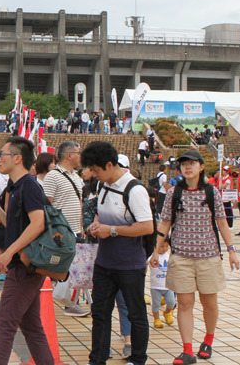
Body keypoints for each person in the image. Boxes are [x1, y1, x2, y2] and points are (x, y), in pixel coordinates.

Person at [151, 150, 240, 365]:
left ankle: (208, 341)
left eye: (192, 163)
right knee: (184, 302)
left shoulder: (212, 192)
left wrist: (231, 250)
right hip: (181, 257)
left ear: (201, 167)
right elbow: (165, 223)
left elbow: (221, 222)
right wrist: (155, 250)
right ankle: (187, 350)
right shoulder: (174, 193)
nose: (187, 167)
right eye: (183, 164)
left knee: (209, 302)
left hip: (209, 257)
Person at [80, 141, 153, 365]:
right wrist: (96, 224)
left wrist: (111, 230)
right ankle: (97, 359)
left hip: (130, 265)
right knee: (99, 313)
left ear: (110, 165)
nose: (93, 174)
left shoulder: (135, 189)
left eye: (95, 170)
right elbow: (101, 214)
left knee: (135, 312)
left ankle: (138, 358)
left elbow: (147, 226)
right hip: (105, 263)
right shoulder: (102, 185)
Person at [0, 136, 54, 365]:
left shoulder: (30, 186)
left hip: (25, 266)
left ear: (17, 158)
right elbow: (16, 225)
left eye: (3, 154)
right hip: (24, 264)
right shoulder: (14, 187)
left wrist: (8, 252)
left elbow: (39, 224)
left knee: (4, 325)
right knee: (31, 326)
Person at [41, 141, 88, 317]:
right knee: (57, 266)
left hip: (76, 230)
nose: (80, 156)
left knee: (73, 268)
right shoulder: (53, 176)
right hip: (61, 231)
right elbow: (47, 204)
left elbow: (80, 203)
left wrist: (82, 225)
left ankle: (69, 303)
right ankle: (54, 300)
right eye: (78, 152)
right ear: (69, 155)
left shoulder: (76, 176)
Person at [150, 241, 176, 329]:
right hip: (155, 286)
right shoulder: (152, 256)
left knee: (171, 302)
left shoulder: (168, 256)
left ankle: (167, 313)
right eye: (162, 246)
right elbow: (146, 262)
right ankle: (156, 319)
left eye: (166, 246)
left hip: (168, 286)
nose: (164, 248)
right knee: (156, 304)